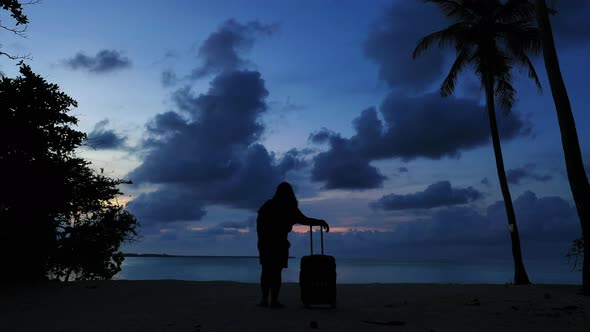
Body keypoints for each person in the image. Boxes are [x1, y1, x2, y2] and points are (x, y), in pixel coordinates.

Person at [256, 182, 329, 308]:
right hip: (279, 243)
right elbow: (305, 220)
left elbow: (259, 222)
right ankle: (273, 300)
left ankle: (264, 299)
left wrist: (260, 238)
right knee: (276, 272)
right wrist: (320, 221)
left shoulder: (270, 205)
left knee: (266, 271)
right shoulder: (290, 208)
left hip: (266, 243)